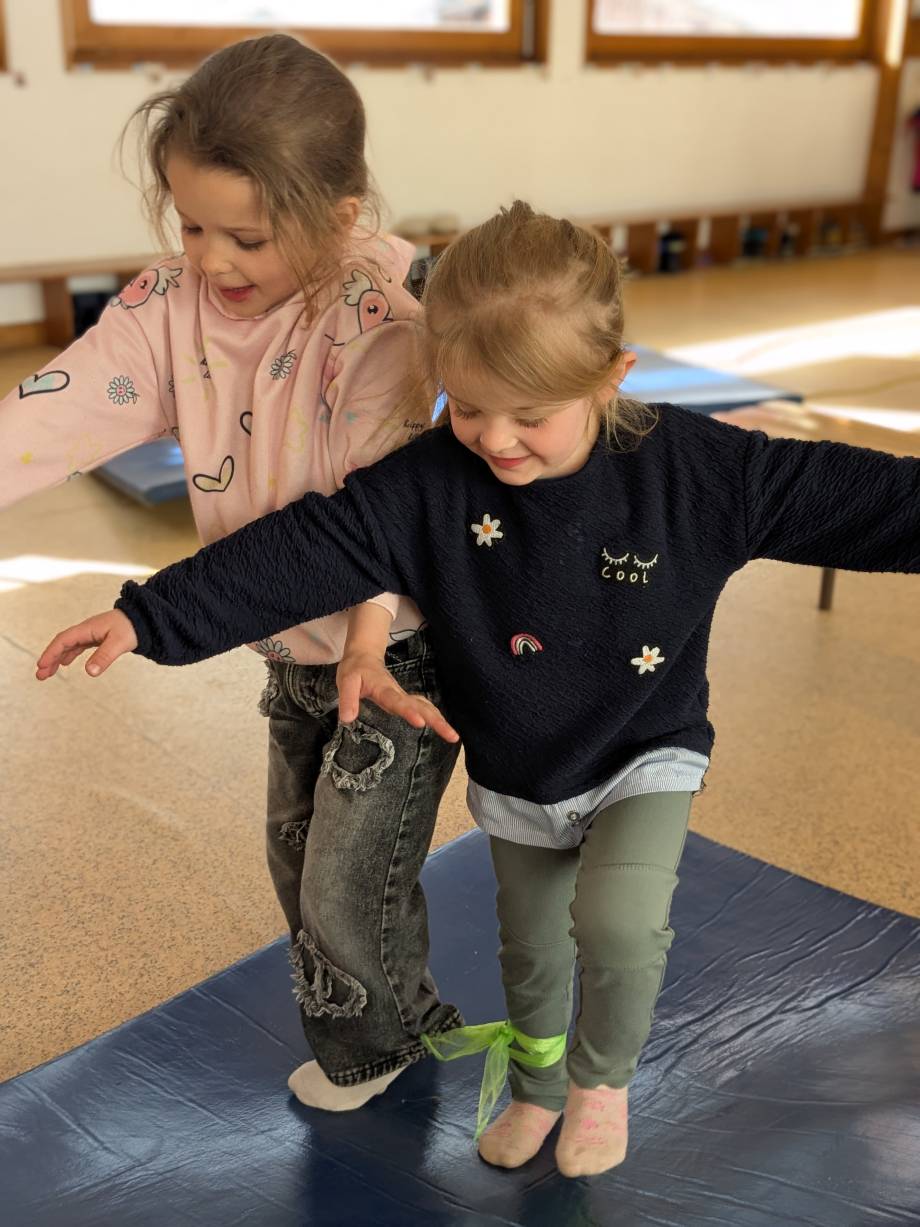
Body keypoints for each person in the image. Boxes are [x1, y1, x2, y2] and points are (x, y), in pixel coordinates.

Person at [35, 202, 920, 1178]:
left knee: (618, 926)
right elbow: (300, 552)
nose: (495, 439)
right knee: (531, 952)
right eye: (467, 405)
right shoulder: (428, 484)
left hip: (644, 749)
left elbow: (870, 504)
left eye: (529, 416)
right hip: (518, 765)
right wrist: (149, 616)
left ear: (612, 376)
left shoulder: (701, 473)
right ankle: (538, 1087)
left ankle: (598, 1085)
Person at [5, 33, 465, 1112]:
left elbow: (370, 527)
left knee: (345, 880)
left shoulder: (377, 321)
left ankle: (376, 1047)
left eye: (245, 237)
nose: (210, 260)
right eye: (189, 223)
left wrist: (163, 615)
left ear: (341, 213)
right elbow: (63, 403)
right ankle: (406, 1008)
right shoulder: (169, 303)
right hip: (286, 651)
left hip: (389, 651)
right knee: (296, 857)